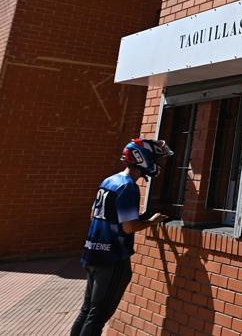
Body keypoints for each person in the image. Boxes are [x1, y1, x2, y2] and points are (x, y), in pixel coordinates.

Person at [71, 138, 172, 336]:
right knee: (98, 314)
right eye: (155, 158)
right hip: (112, 257)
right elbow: (128, 227)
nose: (158, 164)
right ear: (143, 158)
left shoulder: (110, 180)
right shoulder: (128, 187)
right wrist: (151, 221)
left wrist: (138, 217)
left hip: (93, 252)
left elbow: (96, 214)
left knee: (88, 309)